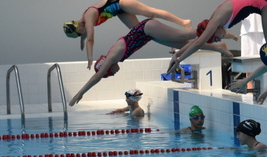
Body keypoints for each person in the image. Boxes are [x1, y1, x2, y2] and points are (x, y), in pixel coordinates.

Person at [70, 18, 227, 106]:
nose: (114, 74)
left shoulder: (113, 56)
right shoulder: (114, 57)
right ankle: (218, 47)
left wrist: (80, 93)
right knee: (182, 44)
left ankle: (214, 27)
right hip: (148, 34)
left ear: (108, 67)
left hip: (147, 29)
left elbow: (97, 76)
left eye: (110, 73)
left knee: (183, 36)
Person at [168, 0, 267, 73]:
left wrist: (179, 60)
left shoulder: (216, 20)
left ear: (213, 30)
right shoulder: (214, 22)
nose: (218, 39)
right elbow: (196, 41)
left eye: (216, 39)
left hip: (265, 3)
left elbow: (198, 43)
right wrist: (176, 55)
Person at [64, 0, 190, 67]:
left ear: (79, 27)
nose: (82, 34)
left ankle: (183, 22)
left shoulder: (88, 17)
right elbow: (85, 36)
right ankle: (184, 44)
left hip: (120, 1)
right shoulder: (83, 23)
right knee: (143, 33)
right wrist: (81, 41)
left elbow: (90, 39)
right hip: (119, 11)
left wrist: (90, 57)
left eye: (79, 34)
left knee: (150, 13)